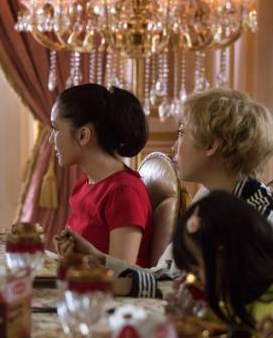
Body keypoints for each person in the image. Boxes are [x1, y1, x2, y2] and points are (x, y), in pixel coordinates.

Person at [59, 88, 273, 297]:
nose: (173, 146)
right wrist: (98, 259)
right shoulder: (207, 198)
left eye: (181, 133)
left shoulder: (259, 219)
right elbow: (166, 276)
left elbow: (196, 293)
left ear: (211, 145)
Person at [50, 84, 152, 266]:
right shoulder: (83, 185)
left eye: (56, 129)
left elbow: (123, 273)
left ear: (83, 135)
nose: (51, 139)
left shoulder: (125, 192)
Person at [172, 191, 273, 338]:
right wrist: (190, 315)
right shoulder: (233, 298)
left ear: (223, 255)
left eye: (196, 269)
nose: (193, 278)